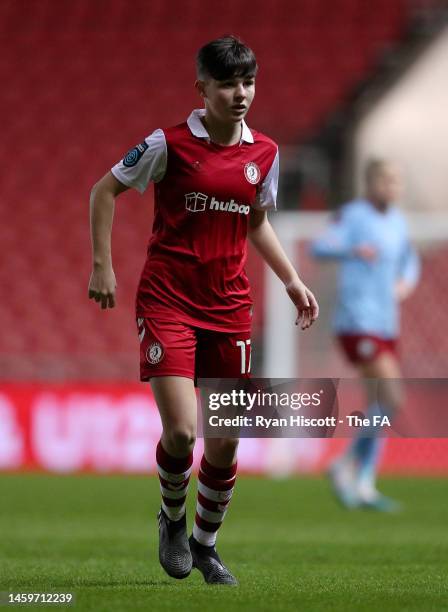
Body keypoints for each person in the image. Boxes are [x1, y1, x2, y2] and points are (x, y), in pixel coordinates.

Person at [88, 36, 318, 585]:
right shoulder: (167, 144)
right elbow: (103, 191)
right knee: (183, 435)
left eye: (248, 83)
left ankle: (206, 544)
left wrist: (290, 279)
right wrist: (103, 266)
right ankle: (171, 519)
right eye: (228, 84)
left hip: (230, 307)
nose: (241, 94)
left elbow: (256, 220)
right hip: (168, 301)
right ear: (202, 88)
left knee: (227, 438)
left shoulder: (265, 153)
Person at [311, 159, 420, 511]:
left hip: (387, 323)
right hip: (357, 321)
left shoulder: (398, 223)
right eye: (387, 180)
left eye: (397, 181)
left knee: (382, 402)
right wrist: (351, 249)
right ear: (370, 183)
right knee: (392, 396)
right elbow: (320, 246)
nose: (393, 188)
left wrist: (405, 282)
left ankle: (361, 479)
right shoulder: (353, 216)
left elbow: (409, 260)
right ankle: (348, 469)